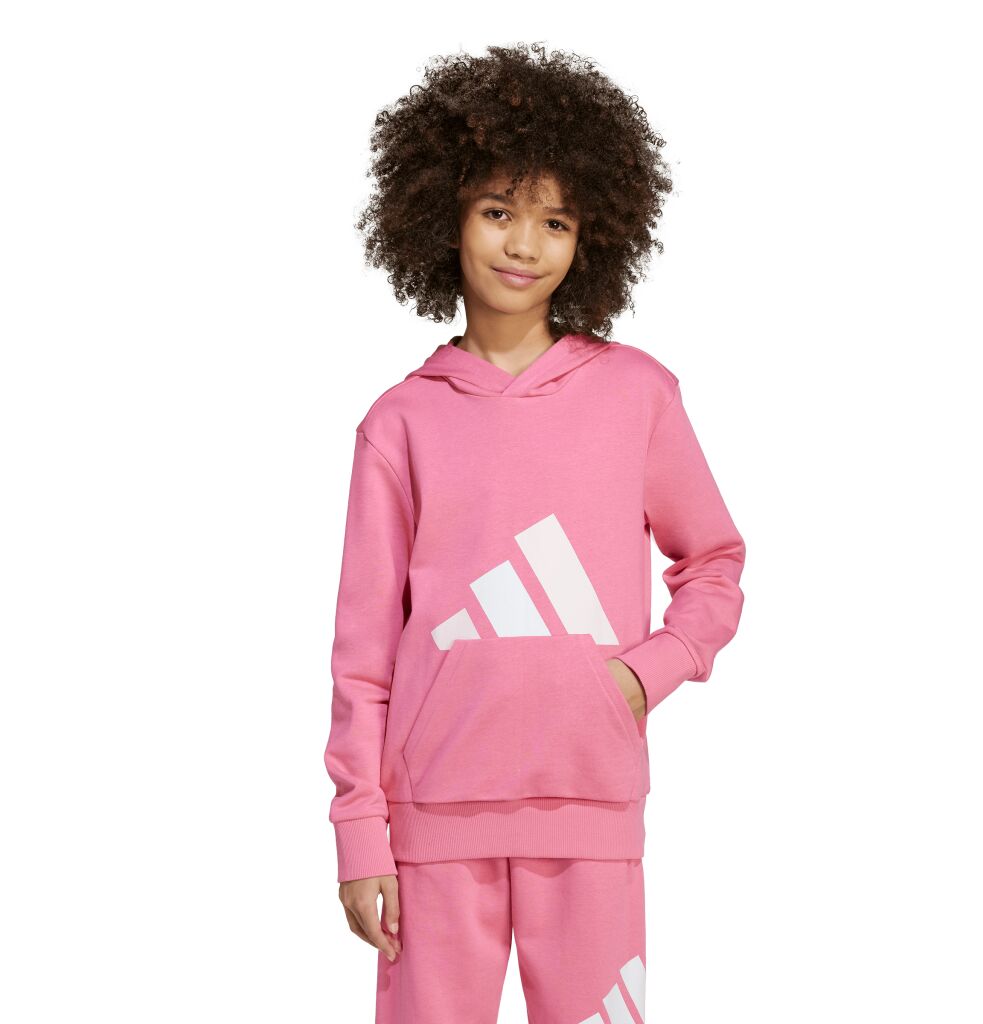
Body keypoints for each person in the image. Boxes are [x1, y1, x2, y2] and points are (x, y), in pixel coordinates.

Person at [324, 43, 746, 1023]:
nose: (523, 245)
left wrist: (646, 674)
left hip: (589, 806)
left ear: (589, 237)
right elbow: (361, 654)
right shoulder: (400, 422)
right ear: (444, 218)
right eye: (497, 212)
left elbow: (714, 561)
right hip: (431, 823)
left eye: (554, 221)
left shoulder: (637, 395)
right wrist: (359, 833)